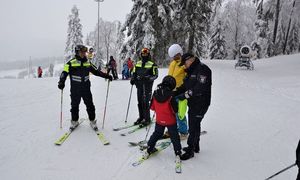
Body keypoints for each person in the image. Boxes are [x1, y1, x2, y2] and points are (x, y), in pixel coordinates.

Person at [58, 44, 113, 131]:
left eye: (84, 52)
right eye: (82, 52)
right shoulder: (71, 63)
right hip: (75, 89)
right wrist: (61, 82)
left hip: (86, 88)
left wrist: (107, 76)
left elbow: (96, 72)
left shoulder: (87, 62)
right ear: (77, 52)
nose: (84, 53)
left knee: (90, 104)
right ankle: (74, 121)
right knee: (74, 105)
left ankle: (92, 121)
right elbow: (64, 73)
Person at [174, 53, 212, 160]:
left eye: (185, 63)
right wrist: (175, 92)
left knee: (194, 125)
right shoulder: (191, 71)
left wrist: (184, 95)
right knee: (195, 123)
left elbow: (199, 88)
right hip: (193, 103)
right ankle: (196, 146)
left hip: (201, 102)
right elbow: (185, 85)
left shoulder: (203, 69)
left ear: (190, 60)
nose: (184, 66)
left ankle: (191, 150)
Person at [143, 75, 182, 161]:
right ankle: (178, 152)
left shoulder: (156, 92)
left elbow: (152, 107)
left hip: (159, 120)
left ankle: (149, 148)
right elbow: (175, 110)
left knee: (157, 134)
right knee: (174, 136)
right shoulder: (171, 95)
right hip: (170, 120)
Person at [130, 48, 158, 127]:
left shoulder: (152, 64)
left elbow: (155, 75)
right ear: (141, 55)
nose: (144, 56)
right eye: (143, 54)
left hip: (147, 86)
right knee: (140, 101)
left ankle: (147, 119)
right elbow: (134, 73)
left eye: (146, 54)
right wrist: (133, 79)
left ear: (148, 55)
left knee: (146, 102)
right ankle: (141, 117)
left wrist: (148, 78)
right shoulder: (138, 63)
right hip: (139, 86)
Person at [166, 44, 188, 139]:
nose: (175, 57)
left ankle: (183, 132)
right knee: (172, 112)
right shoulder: (172, 64)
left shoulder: (184, 64)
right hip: (171, 92)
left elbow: (188, 78)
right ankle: (173, 129)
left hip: (181, 92)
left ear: (180, 53)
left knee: (180, 113)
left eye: (177, 55)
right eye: (174, 55)